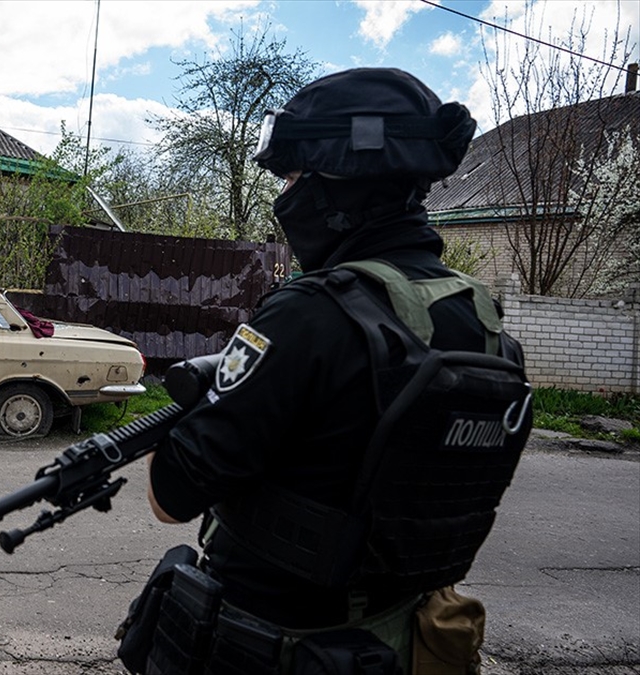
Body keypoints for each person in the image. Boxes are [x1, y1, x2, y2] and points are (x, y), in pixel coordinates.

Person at [140, 68, 532, 674]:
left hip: (279, 648)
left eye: (296, 176)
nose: (288, 194)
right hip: (403, 643)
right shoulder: (483, 322)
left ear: (341, 182)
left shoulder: (310, 312)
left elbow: (172, 495)